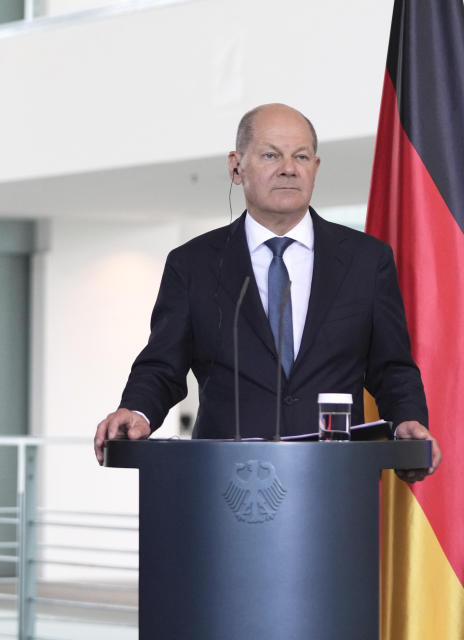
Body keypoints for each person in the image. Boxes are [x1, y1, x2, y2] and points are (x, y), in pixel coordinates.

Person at [94, 103, 441, 482]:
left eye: (301, 156)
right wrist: (136, 411)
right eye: (271, 154)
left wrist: (408, 420)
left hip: (336, 485)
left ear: (316, 167)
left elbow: (392, 367)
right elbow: (163, 366)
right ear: (236, 166)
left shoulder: (366, 260)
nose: (289, 168)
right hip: (225, 486)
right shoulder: (192, 264)